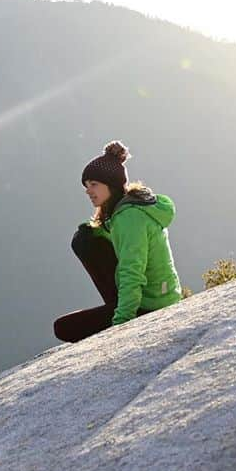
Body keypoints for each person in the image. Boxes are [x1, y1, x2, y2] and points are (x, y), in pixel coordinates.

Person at [53, 140, 183, 343]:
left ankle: (118, 308)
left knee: (64, 328)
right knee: (86, 236)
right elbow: (122, 248)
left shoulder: (128, 218)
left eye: (94, 184)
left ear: (111, 185)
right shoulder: (124, 212)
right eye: (86, 186)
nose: (88, 191)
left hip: (151, 306)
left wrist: (121, 324)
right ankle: (117, 306)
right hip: (159, 297)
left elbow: (133, 270)